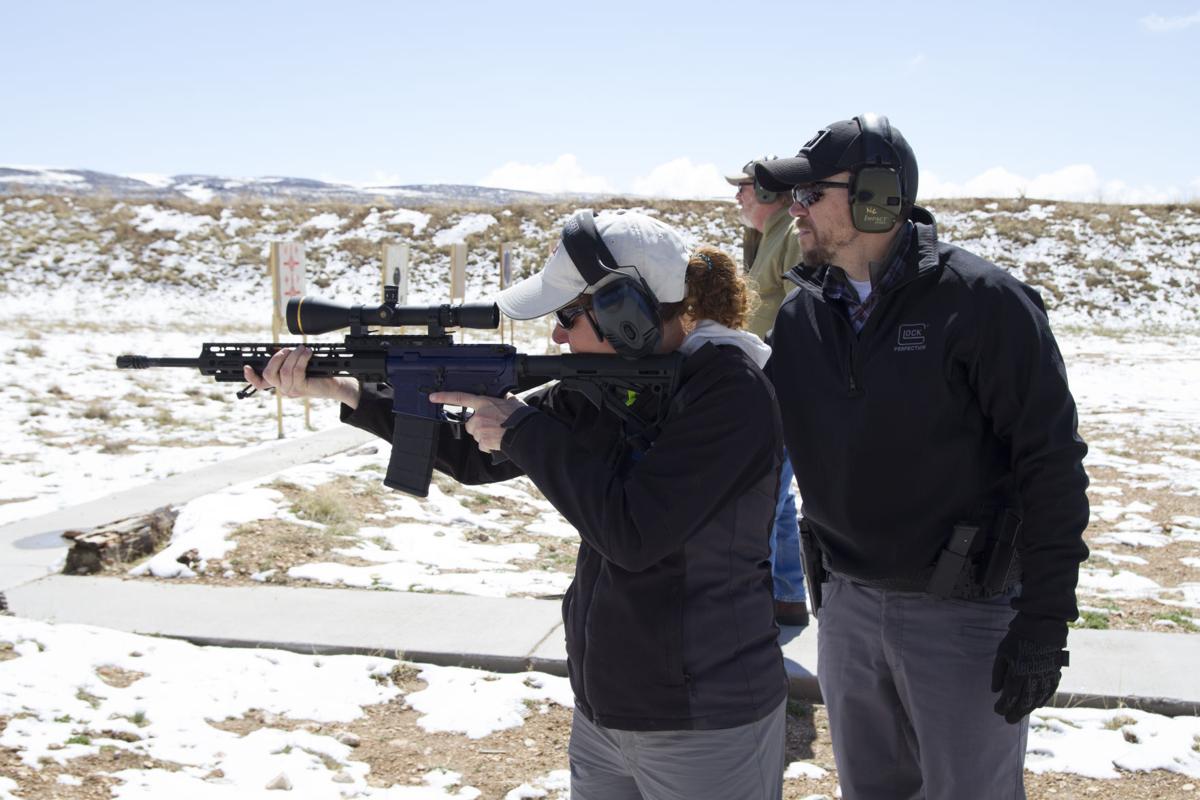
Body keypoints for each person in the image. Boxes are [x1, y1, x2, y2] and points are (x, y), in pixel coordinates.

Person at [247, 210, 789, 800]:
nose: (557, 337)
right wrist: (346, 389)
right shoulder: (607, 382)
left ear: (625, 313)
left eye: (567, 317)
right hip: (607, 708)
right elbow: (476, 456)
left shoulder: (730, 393)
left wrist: (525, 430)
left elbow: (635, 532)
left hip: (704, 718)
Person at [755, 115, 1090, 800]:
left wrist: (1046, 620)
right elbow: (754, 449)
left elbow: (1050, 462)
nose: (797, 210)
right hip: (846, 610)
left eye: (813, 194)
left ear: (878, 196)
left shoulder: (983, 303)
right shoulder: (801, 318)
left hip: (964, 617)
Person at [727, 157, 808, 627]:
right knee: (777, 498)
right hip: (764, 383)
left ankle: (751, 608)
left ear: (771, 193)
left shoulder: (793, 236)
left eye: (745, 187)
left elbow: (804, 312)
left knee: (762, 497)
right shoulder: (765, 236)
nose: (738, 195)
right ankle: (787, 598)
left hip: (778, 384)